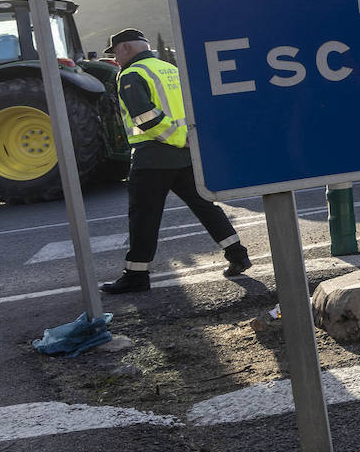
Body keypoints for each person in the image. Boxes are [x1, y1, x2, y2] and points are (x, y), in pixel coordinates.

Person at [100, 29, 251, 294]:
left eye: (115, 55)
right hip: (184, 154)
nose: (115, 61)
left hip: (153, 156)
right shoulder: (169, 68)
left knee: (143, 217)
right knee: (205, 206)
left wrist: (179, 138)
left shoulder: (132, 74)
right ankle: (237, 254)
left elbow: (145, 118)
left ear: (124, 49)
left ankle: (136, 275)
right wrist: (189, 139)